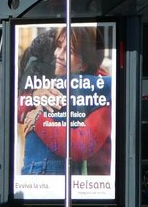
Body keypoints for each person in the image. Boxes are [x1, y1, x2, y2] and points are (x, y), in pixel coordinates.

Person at [18, 25, 112, 175]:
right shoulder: (48, 77)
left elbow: (82, 145)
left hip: (89, 184)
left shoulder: (100, 92)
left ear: (83, 64)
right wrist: (34, 96)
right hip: (46, 172)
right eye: (58, 46)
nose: (58, 54)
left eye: (70, 51)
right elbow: (17, 110)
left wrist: (38, 120)